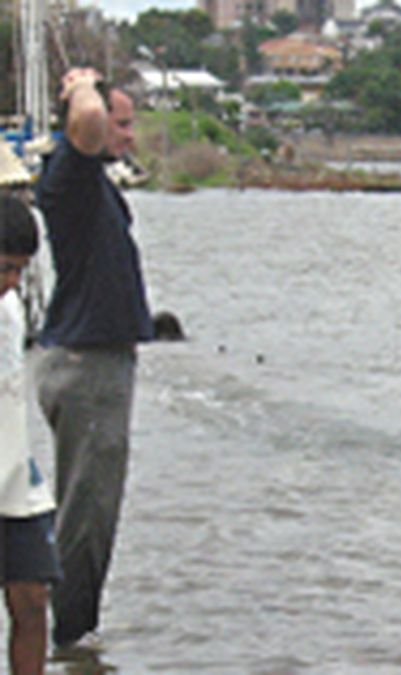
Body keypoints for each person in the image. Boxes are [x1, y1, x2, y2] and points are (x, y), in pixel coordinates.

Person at [31, 67, 154, 651]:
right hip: (88, 366)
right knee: (88, 517)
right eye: (121, 123)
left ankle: (71, 635)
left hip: (92, 361)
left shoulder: (89, 181)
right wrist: (83, 83)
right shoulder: (69, 175)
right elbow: (84, 121)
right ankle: (71, 642)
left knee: (87, 512)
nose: (128, 135)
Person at [0, 194, 61, 674]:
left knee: (32, 597)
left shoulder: (11, 311)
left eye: (21, 271)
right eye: (5, 268)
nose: (13, 282)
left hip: (13, 469)